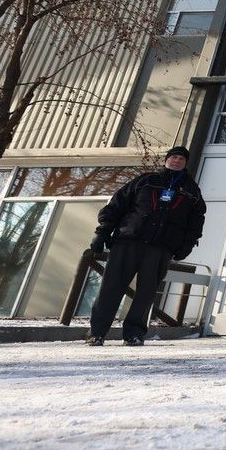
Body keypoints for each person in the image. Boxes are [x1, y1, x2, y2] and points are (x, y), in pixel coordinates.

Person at [84, 146, 206, 346]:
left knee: (146, 293)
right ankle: (97, 333)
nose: (177, 161)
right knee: (111, 288)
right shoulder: (146, 181)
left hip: (160, 249)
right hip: (127, 242)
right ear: (166, 160)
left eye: (182, 159)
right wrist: (102, 232)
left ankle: (134, 333)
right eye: (174, 157)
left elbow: (196, 222)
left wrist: (186, 245)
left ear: (185, 164)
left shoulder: (191, 191)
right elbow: (116, 205)